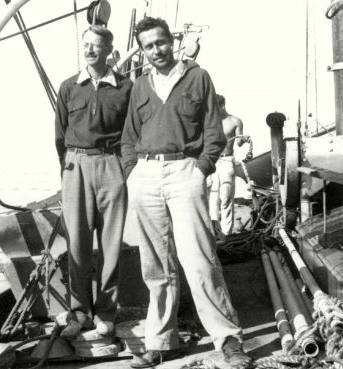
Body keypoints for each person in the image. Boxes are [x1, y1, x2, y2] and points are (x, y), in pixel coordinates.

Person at [121, 17, 250, 368]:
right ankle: (162, 342)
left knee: (199, 259)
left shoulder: (198, 77)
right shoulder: (140, 86)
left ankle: (228, 338)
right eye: (148, 46)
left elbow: (214, 129)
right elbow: (129, 136)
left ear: (171, 42)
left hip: (185, 171)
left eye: (161, 42)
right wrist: (132, 171)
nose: (156, 50)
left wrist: (202, 168)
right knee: (156, 266)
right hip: (145, 175)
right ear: (143, 51)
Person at [55, 25, 132, 336]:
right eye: (85, 45)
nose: (89, 50)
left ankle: (106, 312)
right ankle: (80, 312)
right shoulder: (69, 87)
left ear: (109, 51)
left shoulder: (127, 87)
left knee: (111, 245)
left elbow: (132, 133)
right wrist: (69, 166)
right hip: (76, 165)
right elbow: (59, 135)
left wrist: (124, 170)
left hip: (112, 164)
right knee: (78, 241)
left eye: (96, 46)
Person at [208, 94, 247, 237]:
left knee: (226, 199)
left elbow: (238, 142)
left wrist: (243, 139)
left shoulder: (235, 121)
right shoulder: (209, 122)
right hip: (211, 161)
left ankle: (226, 234)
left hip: (226, 161)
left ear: (222, 106)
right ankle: (213, 233)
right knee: (212, 199)